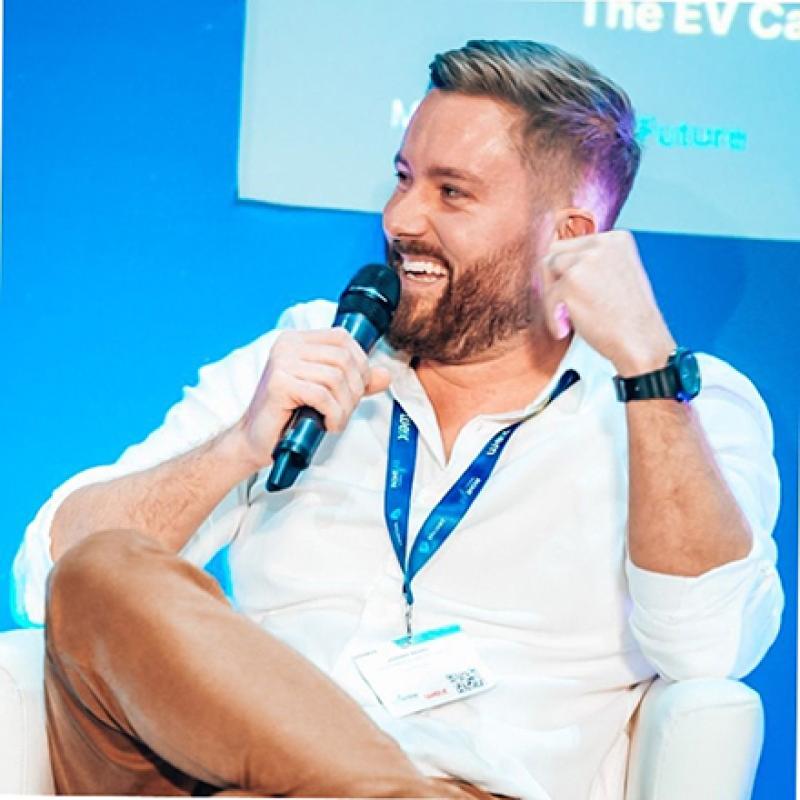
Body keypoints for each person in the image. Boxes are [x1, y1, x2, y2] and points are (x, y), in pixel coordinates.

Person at [13, 40, 782, 800]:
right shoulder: (308, 351)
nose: (400, 218)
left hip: (472, 788)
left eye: (453, 193)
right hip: (224, 775)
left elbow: (708, 646)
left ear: (569, 238)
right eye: (404, 178)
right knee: (101, 569)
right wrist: (238, 447)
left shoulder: (682, 406)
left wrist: (648, 372)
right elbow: (47, 583)